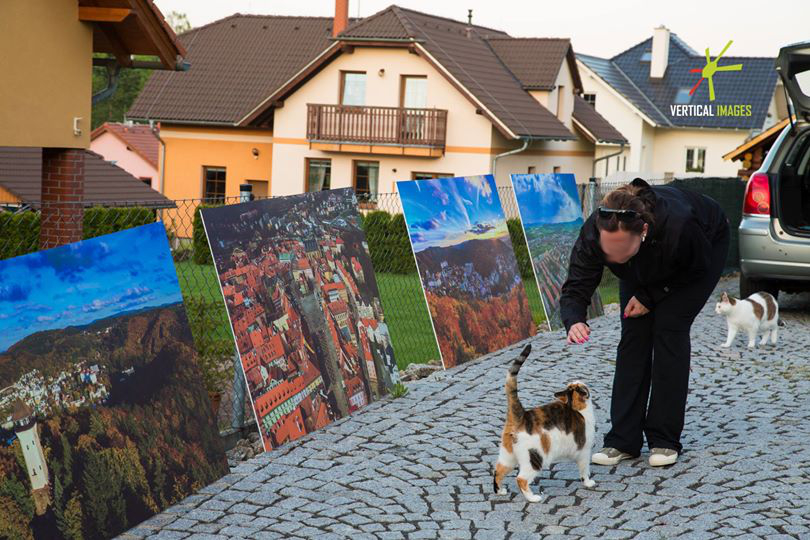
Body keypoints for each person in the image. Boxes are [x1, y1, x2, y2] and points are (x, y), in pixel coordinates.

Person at [560, 178, 729, 467]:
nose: (613, 257)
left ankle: (664, 439)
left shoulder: (680, 225)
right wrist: (575, 319)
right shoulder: (595, 230)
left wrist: (650, 296)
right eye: (608, 250)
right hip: (645, 261)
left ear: (644, 231)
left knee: (669, 329)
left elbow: (695, 268)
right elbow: (578, 280)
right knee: (634, 337)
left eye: (620, 249)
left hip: (700, 253)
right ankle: (622, 440)